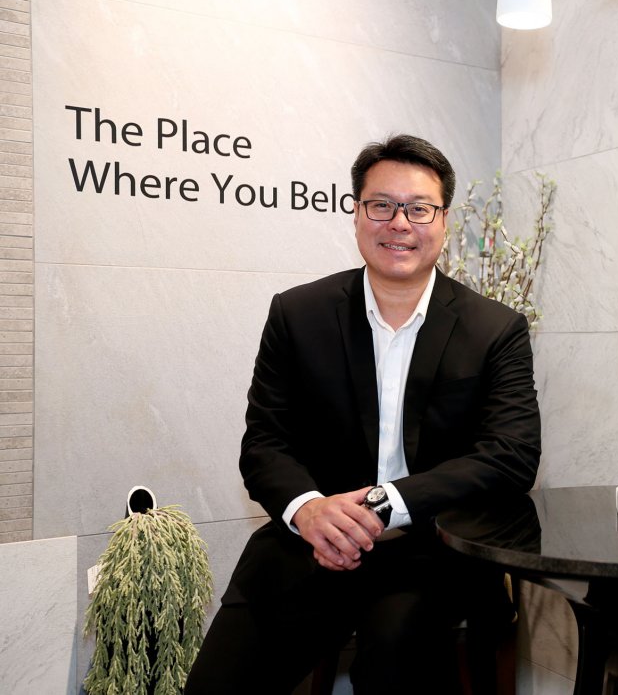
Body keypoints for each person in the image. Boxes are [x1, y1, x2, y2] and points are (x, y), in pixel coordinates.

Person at [185, 135, 542, 693]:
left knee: (395, 660)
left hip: (430, 547)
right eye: (382, 205)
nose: (399, 223)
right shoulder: (297, 314)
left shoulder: (495, 328)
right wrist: (308, 510)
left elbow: (512, 455)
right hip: (313, 538)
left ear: (444, 221)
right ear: (356, 215)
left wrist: (384, 504)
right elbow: (264, 446)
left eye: (419, 208)